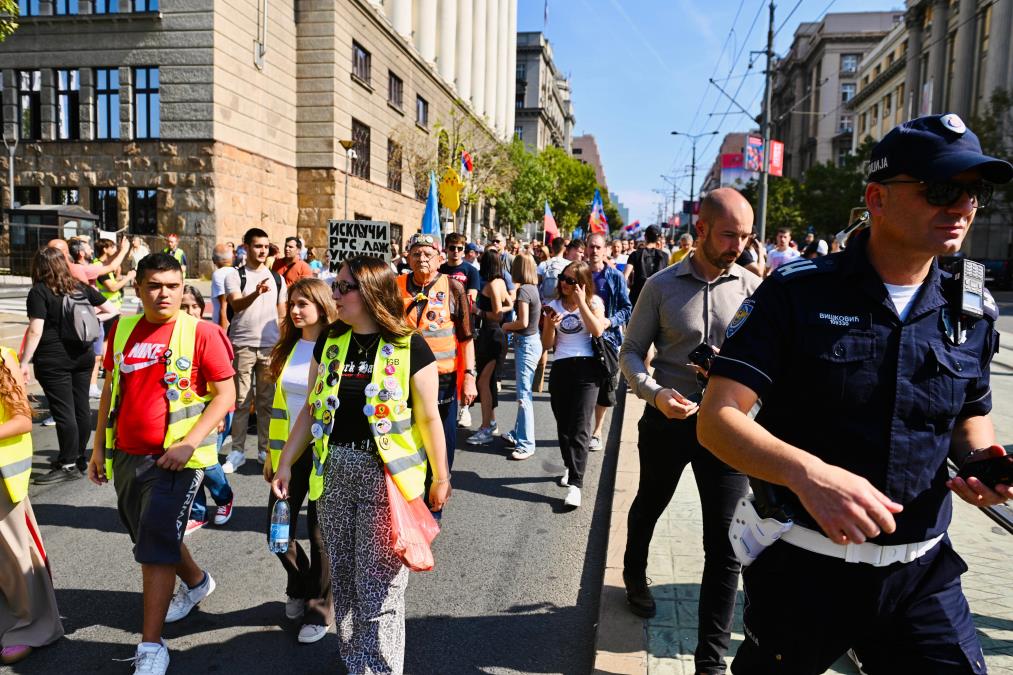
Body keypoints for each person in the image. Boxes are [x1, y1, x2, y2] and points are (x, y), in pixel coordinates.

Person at [697, 114, 1013, 673]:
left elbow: (970, 413)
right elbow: (717, 419)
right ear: (877, 198)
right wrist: (807, 474)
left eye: (973, 193)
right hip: (807, 572)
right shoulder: (797, 293)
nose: (962, 207)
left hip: (922, 577)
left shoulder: (972, 308)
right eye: (942, 190)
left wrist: (981, 463)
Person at [271, 255, 450, 673]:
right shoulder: (331, 340)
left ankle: (381, 668)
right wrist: (285, 463)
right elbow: (312, 409)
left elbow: (429, 418)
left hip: (384, 480)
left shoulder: (409, 345)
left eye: (343, 287)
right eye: (335, 286)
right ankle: (357, 663)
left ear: (370, 292)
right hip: (334, 472)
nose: (334, 294)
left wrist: (441, 476)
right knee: (347, 581)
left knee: (380, 588)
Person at [619, 188, 760, 674]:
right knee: (650, 503)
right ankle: (633, 574)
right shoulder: (660, 286)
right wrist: (655, 393)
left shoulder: (754, 289)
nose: (738, 246)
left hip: (729, 430)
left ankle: (710, 661)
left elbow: (770, 362)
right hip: (667, 421)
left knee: (725, 544)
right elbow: (631, 350)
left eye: (745, 237)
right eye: (729, 235)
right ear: (700, 230)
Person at [89, 252, 235, 675]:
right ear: (137, 288)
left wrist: (189, 444)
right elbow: (111, 391)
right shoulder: (122, 329)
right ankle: (197, 582)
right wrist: (98, 448)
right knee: (148, 532)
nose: (164, 293)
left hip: (176, 460)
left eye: (173, 285)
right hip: (127, 455)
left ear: (183, 286)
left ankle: (151, 646)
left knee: (154, 543)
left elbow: (226, 395)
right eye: (154, 285)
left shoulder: (202, 332)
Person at [263, 277, 337, 644]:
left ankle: (320, 609)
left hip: (323, 454)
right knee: (277, 533)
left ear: (322, 307)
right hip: (289, 456)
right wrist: (273, 455)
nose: (294, 310)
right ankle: (301, 585)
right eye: (291, 303)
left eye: (302, 304)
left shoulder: (335, 345)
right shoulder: (289, 346)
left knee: (320, 536)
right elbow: (278, 408)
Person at [22, 247, 119, 484]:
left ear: (38, 268)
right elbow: (113, 310)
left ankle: (67, 464)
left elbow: (35, 330)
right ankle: (78, 458)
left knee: (63, 411)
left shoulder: (39, 291)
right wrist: (91, 320)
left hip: (53, 359)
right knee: (80, 407)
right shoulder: (80, 287)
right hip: (83, 356)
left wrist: (24, 362)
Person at [398, 233, 477, 497]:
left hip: (443, 381)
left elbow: (466, 338)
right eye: (416, 253)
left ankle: (436, 500)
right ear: (407, 257)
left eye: (427, 254)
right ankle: (409, 502)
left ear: (439, 258)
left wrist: (469, 376)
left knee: (442, 441)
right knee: (404, 442)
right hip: (402, 378)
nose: (422, 258)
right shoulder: (395, 286)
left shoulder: (453, 288)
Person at [0, 347, 64, 666]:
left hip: (2, 478)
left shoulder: (1, 358)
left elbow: (22, 420)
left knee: (14, 557)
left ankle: (31, 626)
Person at [541, 260, 608, 508]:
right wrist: (550, 324)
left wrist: (582, 303)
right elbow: (547, 344)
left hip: (587, 369)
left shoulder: (594, 303)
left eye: (570, 280)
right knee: (564, 426)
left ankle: (575, 486)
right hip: (561, 367)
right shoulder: (554, 305)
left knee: (580, 426)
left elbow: (597, 331)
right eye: (562, 278)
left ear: (582, 283)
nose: (564, 283)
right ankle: (570, 466)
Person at [223, 228, 287, 473]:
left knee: (266, 402)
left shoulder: (277, 278)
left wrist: (284, 343)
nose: (263, 251)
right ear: (246, 247)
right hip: (242, 344)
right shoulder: (234, 275)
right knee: (241, 400)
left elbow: (282, 314)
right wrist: (255, 293)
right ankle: (237, 451)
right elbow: (236, 304)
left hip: (270, 346)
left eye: (266, 247)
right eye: (258, 246)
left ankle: (264, 449)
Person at [179, 286, 236, 536]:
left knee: (208, 462)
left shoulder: (211, 333)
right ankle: (198, 512)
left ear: (202, 308)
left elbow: (223, 381)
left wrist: (220, 416)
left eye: (194, 306)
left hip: (215, 410)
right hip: (184, 412)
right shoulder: (174, 335)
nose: (190, 311)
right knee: (190, 465)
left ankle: (224, 498)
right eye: (184, 306)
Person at [585, 232, 632, 451]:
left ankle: (596, 432)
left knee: (604, 388)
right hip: (581, 339)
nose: (594, 251)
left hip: (608, 340)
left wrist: (609, 321)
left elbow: (626, 308)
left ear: (605, 250)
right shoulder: (579, 273)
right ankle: (583, 429)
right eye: (591, 246)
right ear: (586, 248)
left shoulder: (615, 277)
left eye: (598, 247)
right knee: (583, 387)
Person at [466, 250, 513, 445]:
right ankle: (490, 422)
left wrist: (477, 311)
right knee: (489, 383)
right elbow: (510, 304)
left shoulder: (493, 285)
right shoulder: (500, 282)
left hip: (491, 336)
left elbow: (498, 314)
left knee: (483, 383)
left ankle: (486, 428)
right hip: (494, 335)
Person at [436, 232, 482, 431]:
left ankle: (464, 407)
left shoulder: (471, 271)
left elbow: (471, 298)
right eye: (452, 248)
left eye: (459, 248)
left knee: (465, 365)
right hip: (442, 324)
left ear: (464, 250)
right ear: (446, 249)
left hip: (463, 325)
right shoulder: (440, 269)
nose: (455, 251)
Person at [501, 254, 541, 460]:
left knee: (524, 396)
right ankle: (518, 434)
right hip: (531, 342)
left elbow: (522, 322)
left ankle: (526, 444)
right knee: (523, 393)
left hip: (526, 343)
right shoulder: (532, 288)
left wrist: (506, 326)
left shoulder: (524, 290)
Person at [624, 225, 668, 307]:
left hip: (637, 296)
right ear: (658, 239)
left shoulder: (635, 254)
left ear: (645, 236)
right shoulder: (665, 256)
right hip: (658, 298)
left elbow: (624, 277)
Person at [209, 243, 236, 333]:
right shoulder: (237, 271)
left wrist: (222, 333)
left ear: (213, 260)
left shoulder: (219, 274)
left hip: (224, 327)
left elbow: (224, 304)